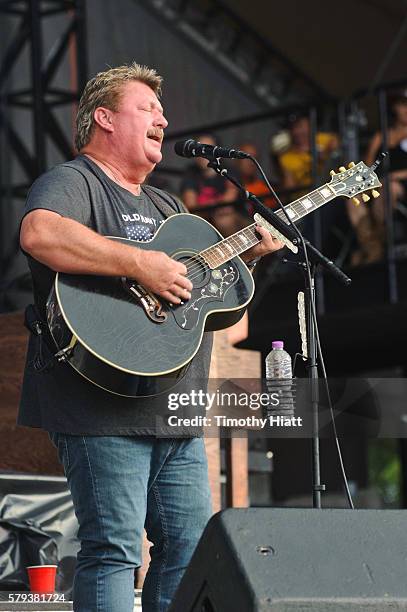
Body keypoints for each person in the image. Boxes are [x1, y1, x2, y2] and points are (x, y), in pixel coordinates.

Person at [18, 62, 283, 612]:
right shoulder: (74, 181)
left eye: (163, 112)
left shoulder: (169, 208)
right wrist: (141, 264)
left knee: (189, 547)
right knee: (114, 550)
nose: (164, 119)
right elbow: (40, 232)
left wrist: (250, 257)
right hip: (99, 403)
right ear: (105, 118)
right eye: (148, 109)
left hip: (173, 405)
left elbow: (211, 311)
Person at [349, 89, 407, 265]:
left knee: (390, 188)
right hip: (377, 183)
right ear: (395, 107)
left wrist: (394, 176)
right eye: (403, 104)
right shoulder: (381, 136)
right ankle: (371, 245)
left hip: (399, 186)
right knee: (352, 196)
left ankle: (376, 241)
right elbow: (367, 165)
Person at [180, 133, 243, 235]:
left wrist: (208, 207)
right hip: (205, 219)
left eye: (206, 149)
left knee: (225, 220)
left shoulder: (229, 171)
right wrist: (214, 207)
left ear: (216, 151)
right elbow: (191, 206)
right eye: (198, 149)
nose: (201, 153)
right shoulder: (191, 173)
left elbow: (228, 202)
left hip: (231, 217)